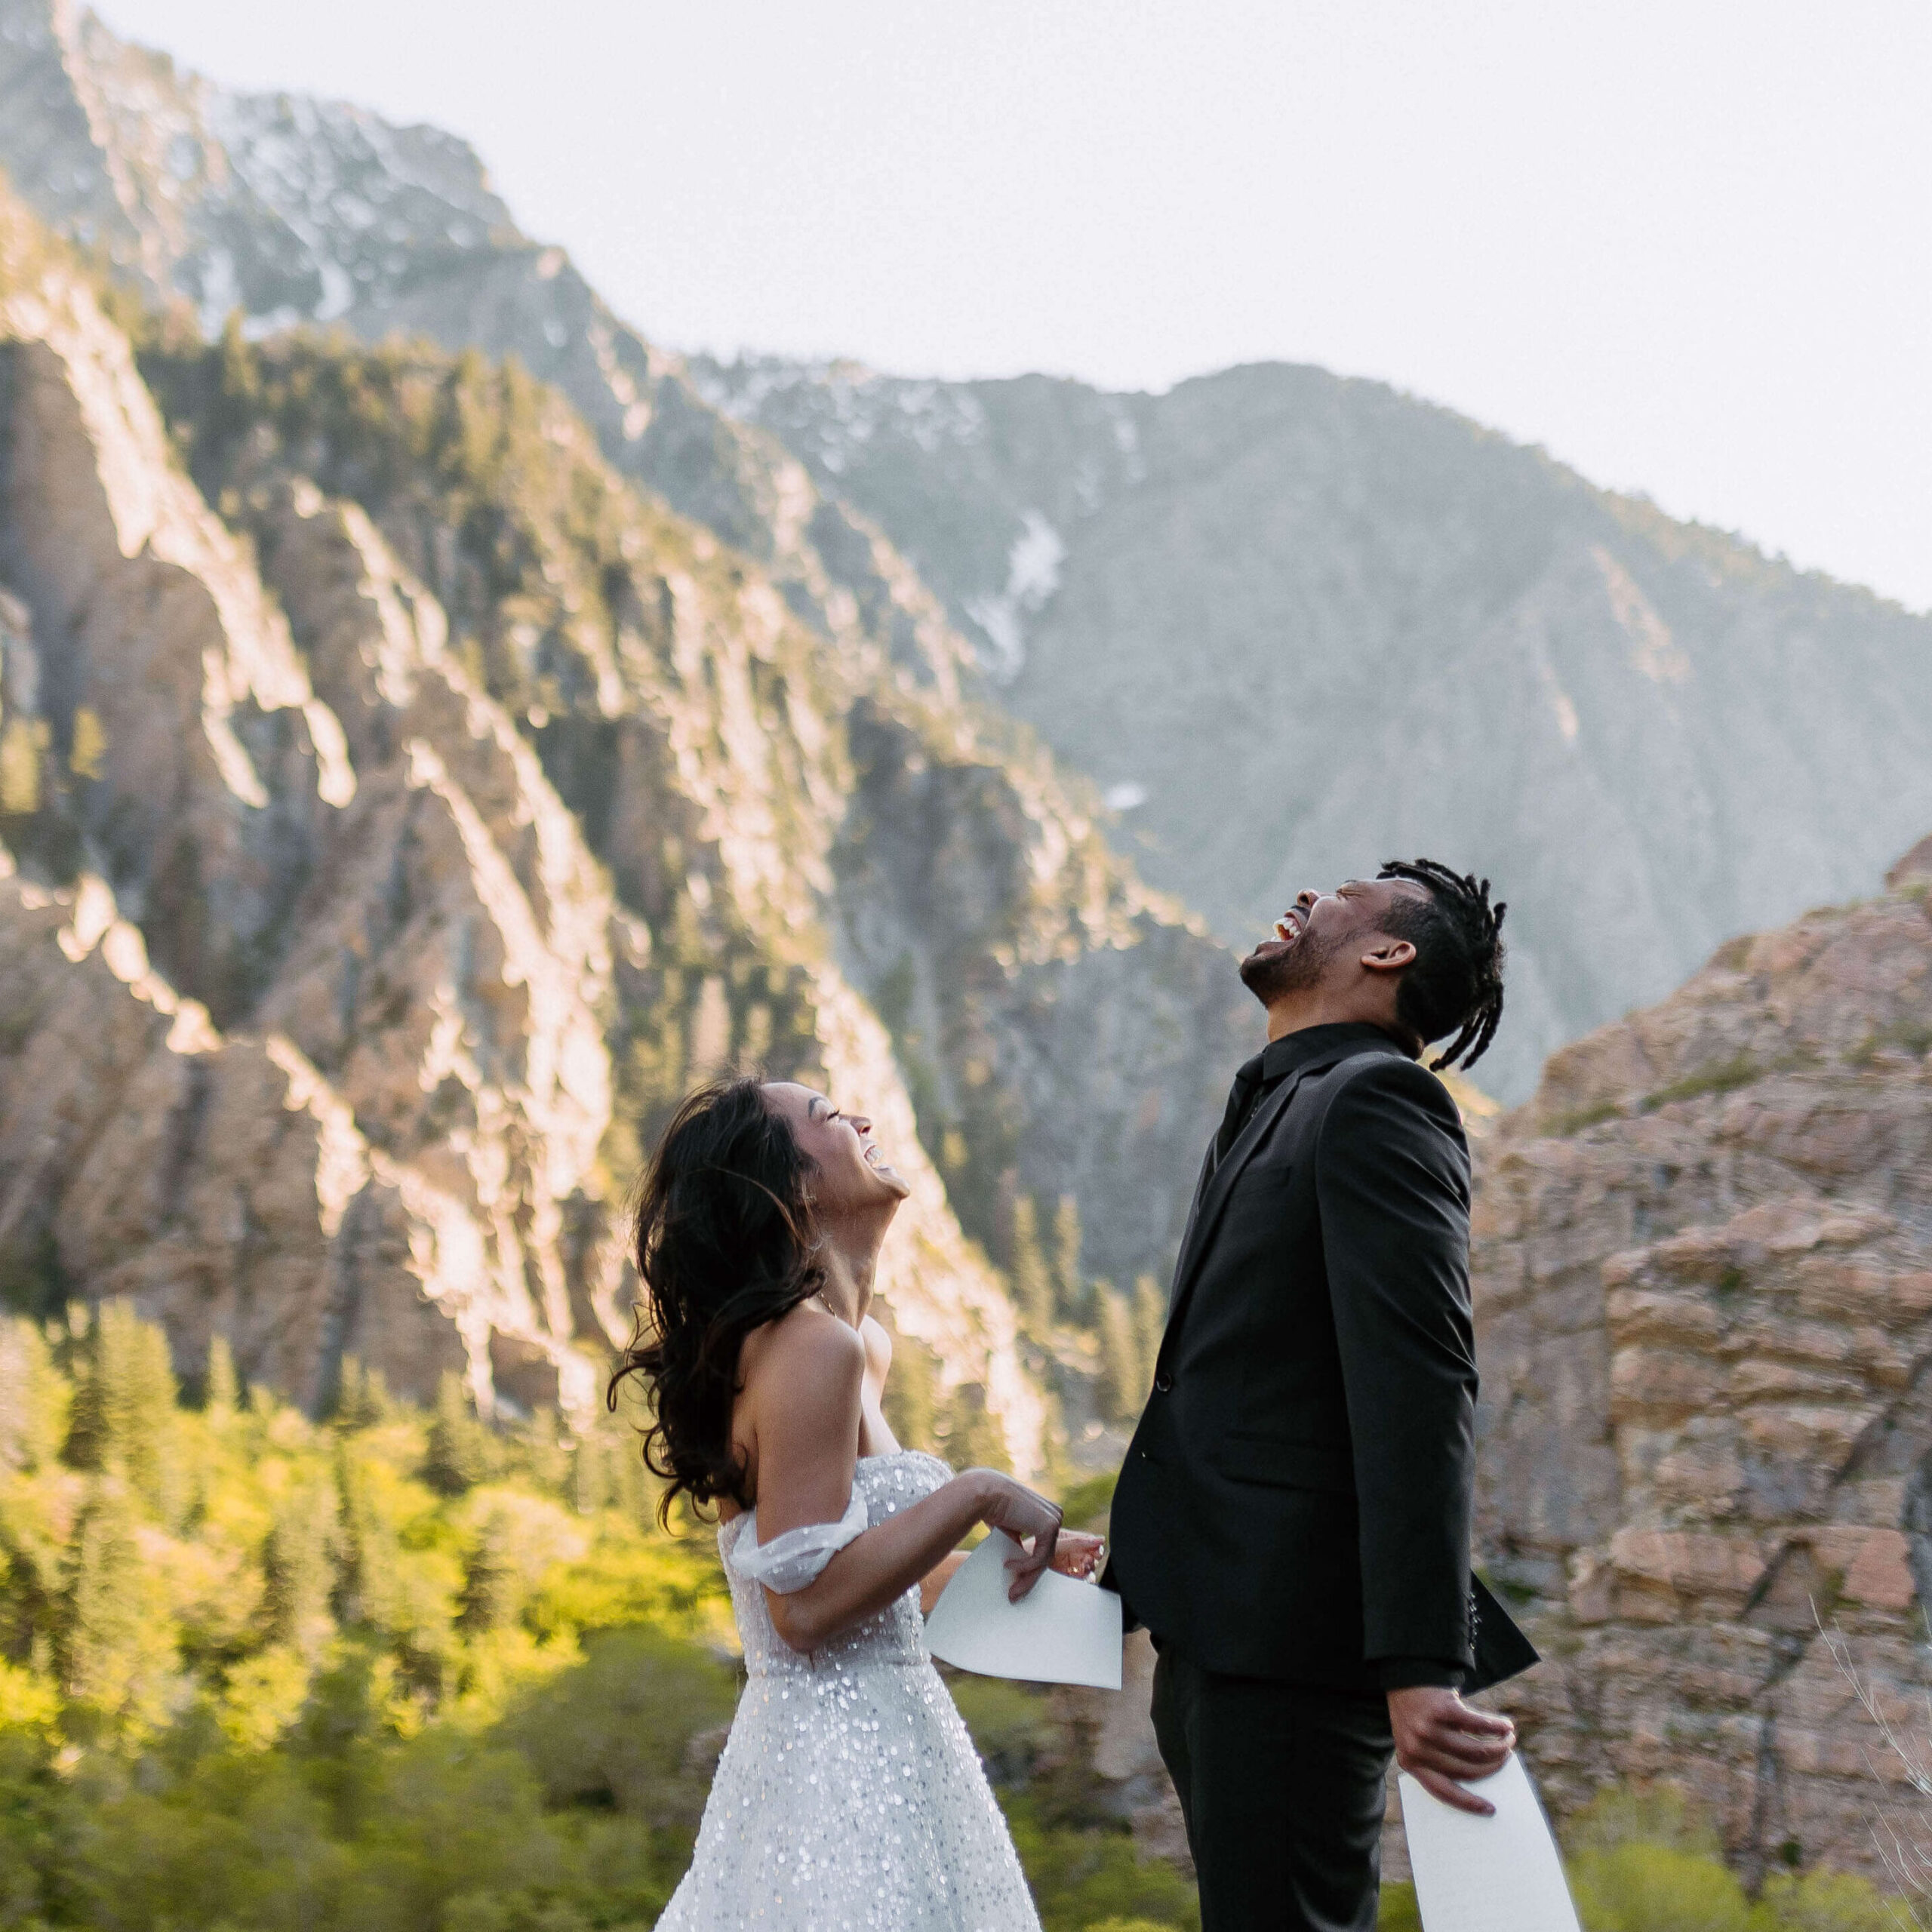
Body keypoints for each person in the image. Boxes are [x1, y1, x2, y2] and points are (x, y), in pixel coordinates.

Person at [1106, 860, 1524, 1932]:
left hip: (1290, 1651)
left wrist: (1424, 1664)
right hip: (1215, 1633)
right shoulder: (1281, 1098)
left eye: (1348, 891)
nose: (1309, 893)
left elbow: (1423, 1385)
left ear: (1390, 955)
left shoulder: (1381, 1100)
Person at [612, 1076, 1104, 1930]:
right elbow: (803, 1611)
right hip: (837, 1772)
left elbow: (877, 1583)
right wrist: (975, 1493)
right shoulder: (811, 1346)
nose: (865, 1119)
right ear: (795, 1184)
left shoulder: (855, 1345)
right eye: (831, 1117)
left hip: (892, 1746)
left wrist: (1018, 1564)